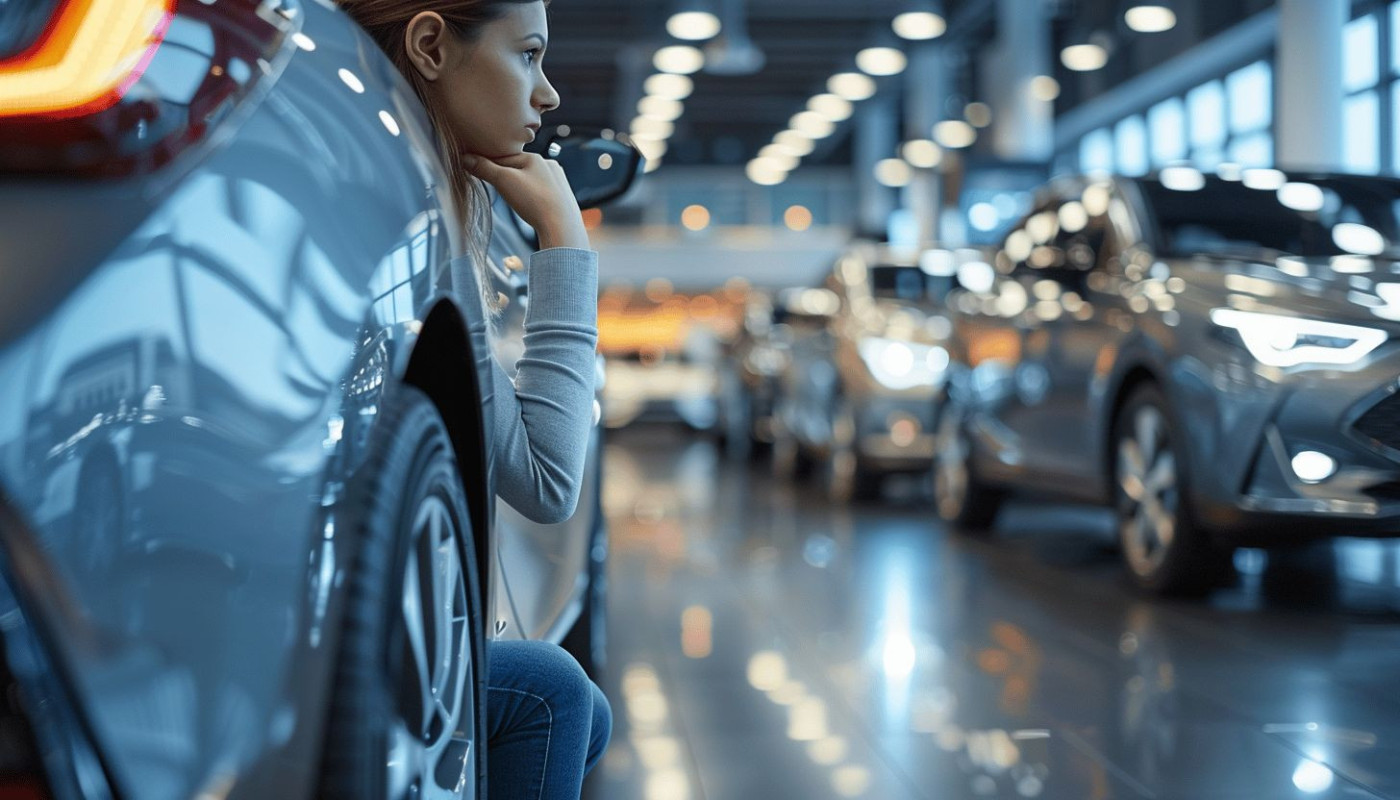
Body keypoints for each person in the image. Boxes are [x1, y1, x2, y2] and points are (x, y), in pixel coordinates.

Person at [334, 0, 611, 797]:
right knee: (555, 695)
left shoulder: (398, 209)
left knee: (577, 706)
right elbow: (551, 483)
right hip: (293, 636)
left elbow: (536, 477)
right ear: (429, 44)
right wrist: (565, 239)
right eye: (528, 54)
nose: (548, 93)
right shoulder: (397, 231)